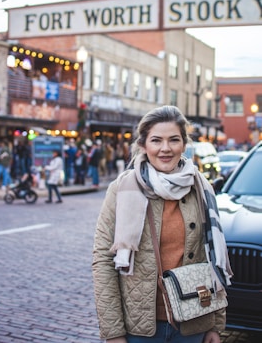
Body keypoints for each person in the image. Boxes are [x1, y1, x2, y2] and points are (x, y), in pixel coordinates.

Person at [92, 105, 233, 343]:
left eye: (174, 140)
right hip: (139, 328)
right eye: (156, 140)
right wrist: (113, 332)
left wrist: (215, 325)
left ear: (184, 145)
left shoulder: (201, 188)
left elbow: (212, 261)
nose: (165, 148)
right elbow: (103, 260)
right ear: (143, 145)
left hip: (193, 322)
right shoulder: (121, 189)